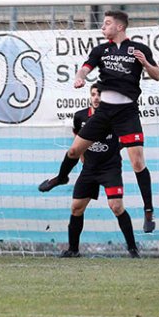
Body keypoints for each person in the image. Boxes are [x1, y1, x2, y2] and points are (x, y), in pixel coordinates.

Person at [38, 10, 159, 233]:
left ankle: (149, 211)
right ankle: (62, 177)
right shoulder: (101, 50)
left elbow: (158, 74)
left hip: (127, 113)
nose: (103, 28)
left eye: (107, 24)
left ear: (120, 27)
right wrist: (79, 77)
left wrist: (145, 64)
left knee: (137, 163)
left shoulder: (139, 49)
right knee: (74, 151)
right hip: (104, 112)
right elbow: (86, 68)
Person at [51, 86, 139, 258]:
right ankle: (73, 250)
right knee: (76, 208)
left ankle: (133, 249)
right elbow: (78, 138)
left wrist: (115, 149)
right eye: (93, 94)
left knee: (116, 206)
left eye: (99, 94)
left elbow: (126, 136)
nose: (96, 98)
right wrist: (83, 154)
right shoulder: (80, 116)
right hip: (89, 169)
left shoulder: (115, 116)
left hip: (110, 168)